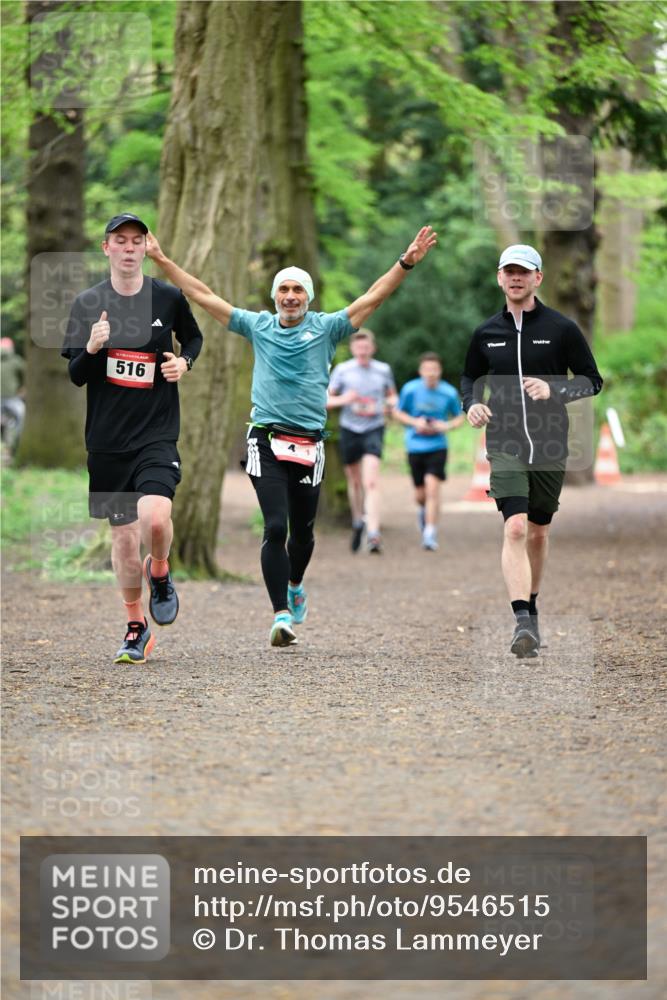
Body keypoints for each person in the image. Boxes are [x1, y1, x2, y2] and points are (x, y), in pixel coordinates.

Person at [146, 226, 437, 646]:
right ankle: (280, 615)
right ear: (274, 295)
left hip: (309, 442)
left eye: (297, 289)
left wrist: (405, 261)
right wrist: (162, 260)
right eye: (283, 289)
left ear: (308, 296)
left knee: (303, 532)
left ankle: (295, 584)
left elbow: (373, 297)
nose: (290, 296)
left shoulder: (328, 328)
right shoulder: (257, 325)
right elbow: (205, 295)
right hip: (265, 437)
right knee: (276, 526)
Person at [62, 213, 203, 665]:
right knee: (123, 538)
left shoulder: (168, 297)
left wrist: (185, 365)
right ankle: (136, 627)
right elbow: (76, 376)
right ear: (106, 248)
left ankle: (159, 571)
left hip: (156, 434)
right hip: (106, 442)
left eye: (136, 241)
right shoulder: (87, 304)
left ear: (146, 248)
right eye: (119, 241)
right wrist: (92, 349)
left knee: (156, 520)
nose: (128, 248)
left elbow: (194, 340)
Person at [461, 244, 603, 658]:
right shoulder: (486, 332)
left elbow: (592, 381)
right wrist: (471, 404)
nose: (516, 277)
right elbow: (469, 376)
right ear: (500, 278)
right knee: (516, 527)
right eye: (509, 271)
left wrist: (554, 388)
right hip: (504, 441)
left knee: (539, 530)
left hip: (549, 442)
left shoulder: (562, 328)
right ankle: (521, 619)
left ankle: (533, 607)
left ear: (538, 278)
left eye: (524, 271)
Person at [327, 329, 397, 553]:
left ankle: (374, 534)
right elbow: (325, 400)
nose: (363, 351)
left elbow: (392, 395)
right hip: (350, 428)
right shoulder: (343, 370)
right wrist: (344, 399)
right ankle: (358, 519)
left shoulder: (383, 370)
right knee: (355, 482)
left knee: (371, 481)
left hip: (374, 428)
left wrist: (390, 405)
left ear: (373, 348)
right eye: (359, 347)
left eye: (367, 347)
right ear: (353, 349)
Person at [394, 352, 464, 551]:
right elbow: (398, 412)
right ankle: (423, 511)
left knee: (433, 489)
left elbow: (459, 417)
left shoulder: (448, 392)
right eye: (427, 370)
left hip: (437, 446)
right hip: (415, 446)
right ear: (421, 371)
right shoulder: (410, 389)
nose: (431, 374)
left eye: (434, 370)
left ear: (440, 371)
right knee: (420, 494)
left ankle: (430, 533)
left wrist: (446, 426)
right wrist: (416, 422)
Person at [0, 337, 26, 454]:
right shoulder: (16, 361)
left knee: (8, 422)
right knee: (22, 417)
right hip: (12, 398)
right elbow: (26, 374)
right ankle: (12, 447)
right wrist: (22, 389)